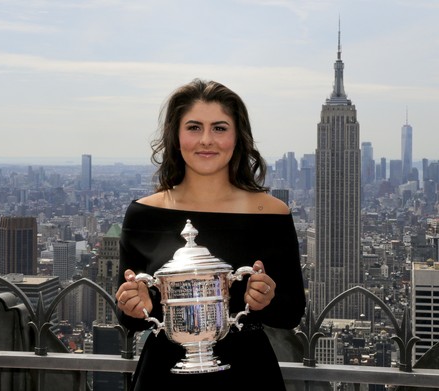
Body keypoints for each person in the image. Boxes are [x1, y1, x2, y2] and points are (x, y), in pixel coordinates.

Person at [115, 78, 306, 390]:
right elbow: (131, 319)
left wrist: (266, 299)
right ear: (176, 137)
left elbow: (290, 313)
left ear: (237, 137)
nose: (206, 140)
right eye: (193, 127)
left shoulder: (270, 213)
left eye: (219, 127)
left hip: (247, 374)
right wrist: (135, 305)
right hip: (165, 375)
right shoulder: (144, 214)